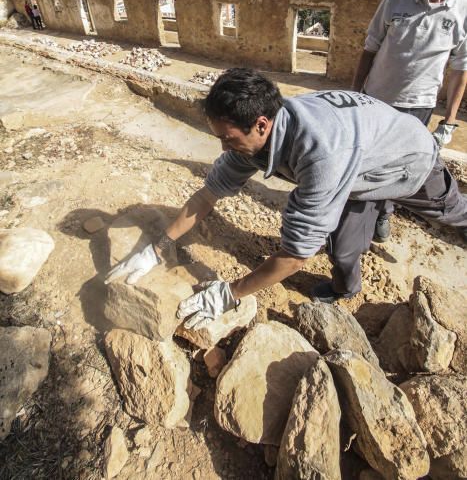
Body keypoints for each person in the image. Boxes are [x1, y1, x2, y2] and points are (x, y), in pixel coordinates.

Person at [105, 68, 467, 327]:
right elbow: (207, 195)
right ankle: (347, 285)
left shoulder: (320, 154)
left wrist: (229, 293)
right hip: (361, 161)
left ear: (262, 124)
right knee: (341, 251)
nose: (223, 147)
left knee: (451, 212)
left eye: (229, 139)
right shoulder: (263, 130)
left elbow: (295, 257)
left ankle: (396, 207)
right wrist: (157, 248)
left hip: (409, 160)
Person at [352, 0, 467, 241]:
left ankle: (384, 211)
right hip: (376, 99)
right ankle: (362, 215)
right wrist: (354, 93)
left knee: (401, 165)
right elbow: (370, 48)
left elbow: (460, 69)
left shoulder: (462, 10)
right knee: (367, 159)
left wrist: (450, 120)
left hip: (418, 107)